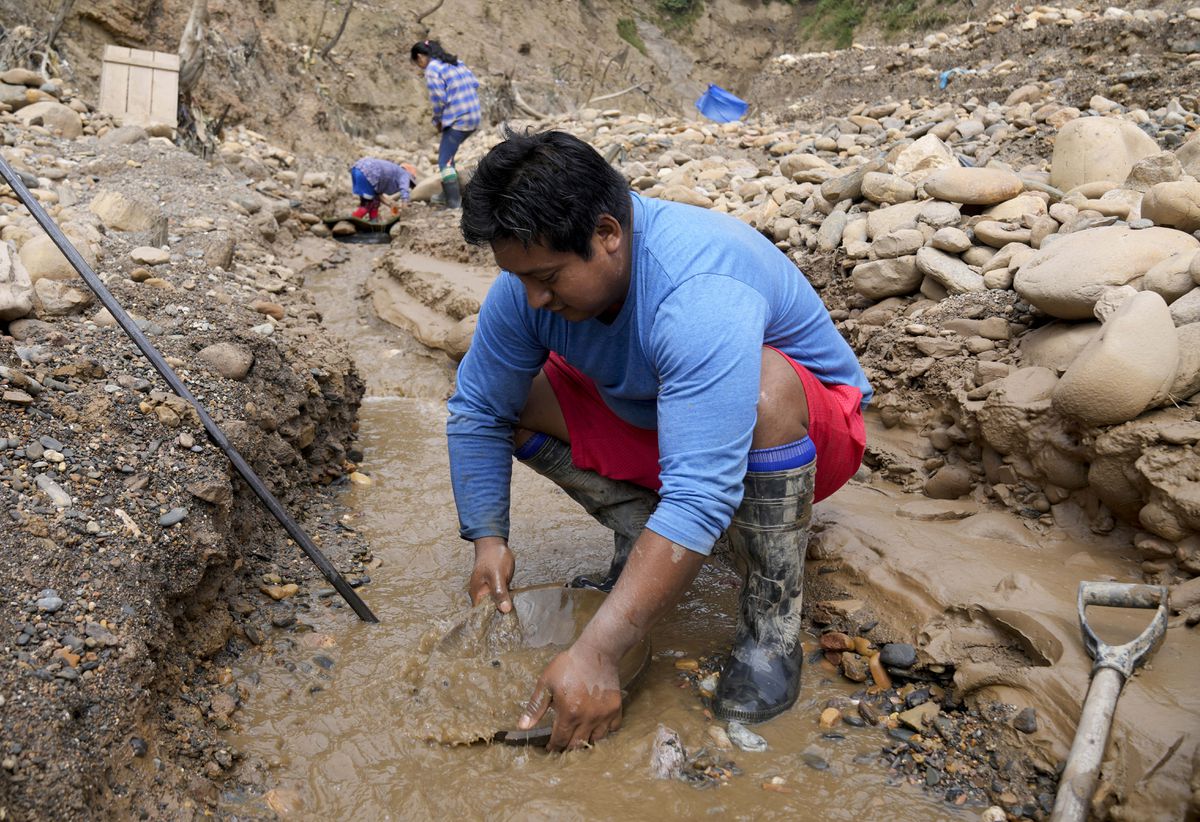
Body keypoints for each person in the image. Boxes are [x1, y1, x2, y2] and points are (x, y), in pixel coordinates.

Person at [447, 130, 872, 752]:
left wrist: (596, 653)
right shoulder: (527, 289)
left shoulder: (696, 288)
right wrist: (488, 540)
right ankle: (641, 529)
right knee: (509, 402)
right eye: (520, 277)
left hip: (797, 431)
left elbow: (701, 491)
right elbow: (478, 408)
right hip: (662, 415)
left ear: (607, 234)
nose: (533, 297)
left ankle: (769, 624)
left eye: (548, 278)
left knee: (762, 389)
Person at [410, 39, 481, 210]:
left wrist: (438, 121)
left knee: (444, 161)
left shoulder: (432, 69)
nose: (420, 66)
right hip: (474, 115)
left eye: (417, 63)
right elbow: (475, 83)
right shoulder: (456, 63)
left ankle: (454, 202)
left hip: (458, 119)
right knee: (449, 154)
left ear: (420, 57)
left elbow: (438, 99)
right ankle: (446, 193)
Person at [349, 157, 417, 220]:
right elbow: (404, 191)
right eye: (410, 183)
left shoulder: (393, 172)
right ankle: (352, 221)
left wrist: (390, 204)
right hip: (368, 172)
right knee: (367, 205)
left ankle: (373, 220)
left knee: (375, 201)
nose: (408, 185)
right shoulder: (404, 174)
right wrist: (405, 210)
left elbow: (378, 194)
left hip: (357, 168)